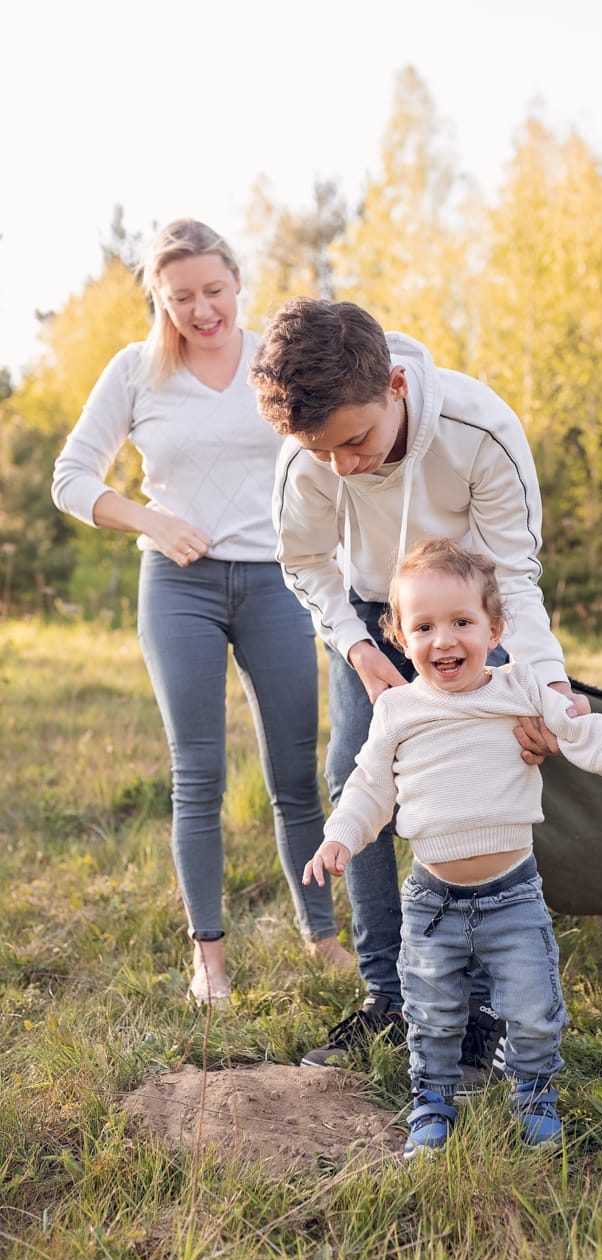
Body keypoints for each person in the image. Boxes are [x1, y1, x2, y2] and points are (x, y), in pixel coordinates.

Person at [250, 297, 593, 1084]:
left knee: (482, 776)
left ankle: (477, 1008)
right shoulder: (308, 453)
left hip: (471, 612)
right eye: (321, 451)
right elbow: (305, 564)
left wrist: (543, 684)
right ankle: (390, 995)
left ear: (396, 384)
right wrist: (358, 645)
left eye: (354, 442)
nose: (341, 466)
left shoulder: (481, 430)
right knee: (356, 779)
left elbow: (514, 575)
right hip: (371, 614)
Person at [51, 218, 352, 1006]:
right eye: (180, 296)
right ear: (159, 297)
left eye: (213, 290)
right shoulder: (135, 371)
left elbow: (334, 451)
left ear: (237, 281)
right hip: (178, 588)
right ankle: (208, 958)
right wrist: (151, 520)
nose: (201, 309)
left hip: (276, 586)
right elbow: (72, 477)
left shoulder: (272, 361)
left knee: (295, 776)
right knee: (198, 774)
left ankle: (322, 936)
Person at [303, 540, 602, 1155]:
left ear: (494, 628)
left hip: (513, 895)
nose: (444, 640)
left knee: (533, 1007)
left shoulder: (520, 689)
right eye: (424, 626)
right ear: (399, 637)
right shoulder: (397, 709)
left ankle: (532, 1093)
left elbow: (585, 732)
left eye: (461, 622)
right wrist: (339, 837)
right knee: (430, 1012)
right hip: (431, 903)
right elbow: (368, 787)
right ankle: (431, 1102)